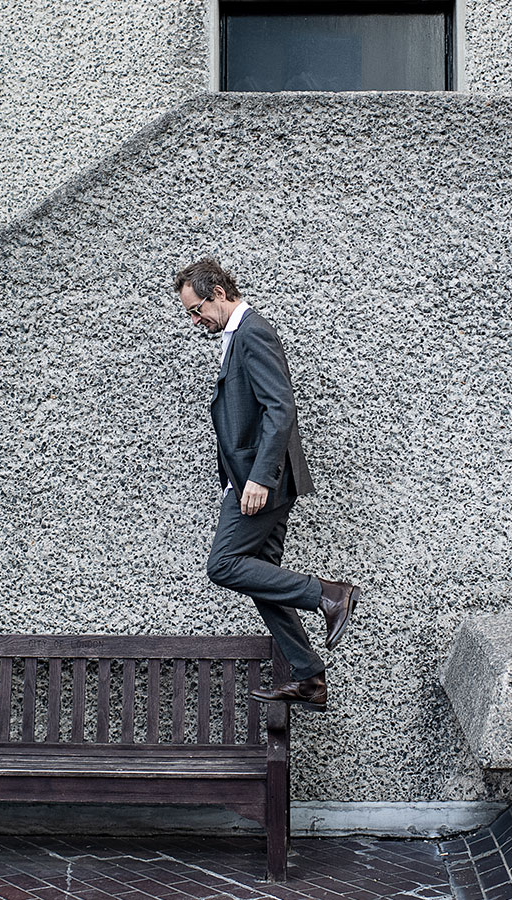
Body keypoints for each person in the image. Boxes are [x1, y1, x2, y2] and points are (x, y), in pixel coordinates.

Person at [174, 258, 360, 711]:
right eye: (189, 315)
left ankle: (330, 595)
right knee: (265, 580)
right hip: (251, 483)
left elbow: (280, 408)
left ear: (218, 292)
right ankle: (309, 678)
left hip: (262, 485)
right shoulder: (235, 335)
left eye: (197, 309)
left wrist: (258, 477)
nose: (196, 321)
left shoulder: (253, 330)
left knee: (224, 565)